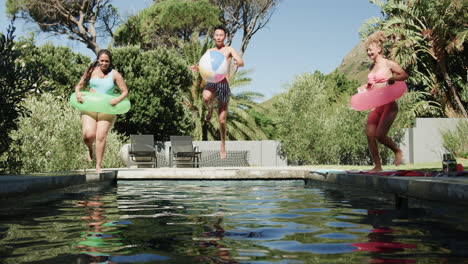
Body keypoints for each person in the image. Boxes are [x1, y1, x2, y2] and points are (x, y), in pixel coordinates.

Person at [191, 25, 244, 159]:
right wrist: (196, 68)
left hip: (224, 85)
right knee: (206, 97)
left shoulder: (229, 49)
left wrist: (238, 62)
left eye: (221, 35)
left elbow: (241, 61)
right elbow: (203, 65)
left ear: (225, 37)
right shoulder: (209, 51)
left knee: (221, 120)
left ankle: (223, 144)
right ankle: (210, 110)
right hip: (213, 83)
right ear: (214, 37)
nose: (219, 37)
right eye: (217, 35)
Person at [358, 31, 408, 171]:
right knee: (369, 134)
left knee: (380, 135)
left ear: (379, 49)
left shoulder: (388, 64)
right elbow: (371, 87)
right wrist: (363, 88)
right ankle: (378, 166)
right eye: (367, 50)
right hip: (376, 106)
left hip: (389, 106)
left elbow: (404, 74)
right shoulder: (371, 67)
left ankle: (397, 151)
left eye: (370, 49)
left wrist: (394, 79)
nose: (368, 52)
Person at [74, 49, 128, 172]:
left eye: (106, 61)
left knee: (101, 135)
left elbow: (125, 91)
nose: (104, 63)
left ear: (110, 62)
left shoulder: (115, 74)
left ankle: (98, 165)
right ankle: (90, 148)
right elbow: (79, 85)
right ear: (98, 60)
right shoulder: (91, 71)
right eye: (102, 61)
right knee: (88, 136)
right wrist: (78, 93)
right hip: (91, 106)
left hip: (107, 108)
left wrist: (117, 100)